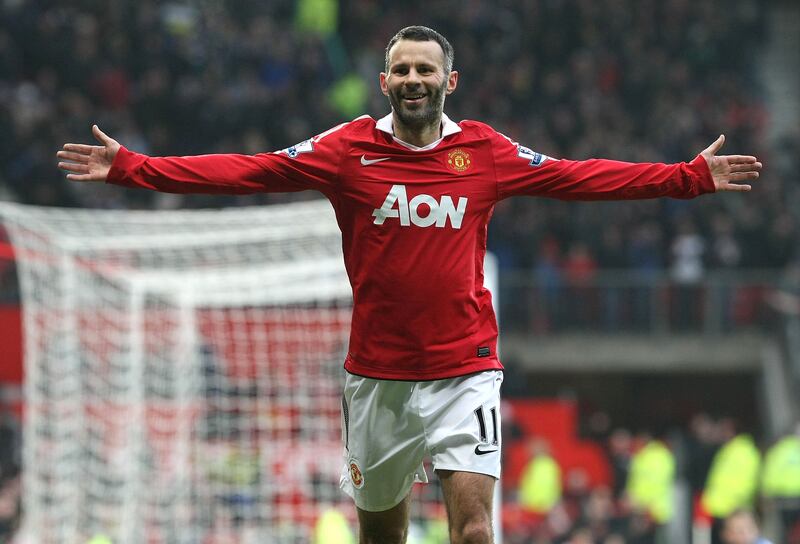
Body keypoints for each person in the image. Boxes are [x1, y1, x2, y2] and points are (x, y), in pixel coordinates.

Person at [57, 25, 762, 544]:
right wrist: (134, 168)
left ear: (448, 82)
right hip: (378, 379)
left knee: (475, 530)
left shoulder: (484, 151)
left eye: (427, 68)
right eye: (403, 70)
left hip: (466, 369)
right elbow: (251, 169)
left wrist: (686, 178)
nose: (415, 79)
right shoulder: (345, 150)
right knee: (382, 538)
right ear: (386, 81)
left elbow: (578, 177)